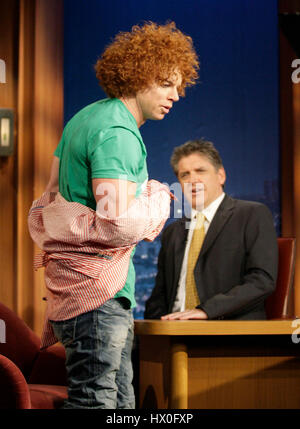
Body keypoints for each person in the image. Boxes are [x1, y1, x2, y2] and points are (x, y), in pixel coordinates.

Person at [28, 22, 199, 409]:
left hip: (78, 291)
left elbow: (50, 197)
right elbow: (118, 222)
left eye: (179, 85)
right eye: (166, 83)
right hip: (97, 296)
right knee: (97, 403)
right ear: (137, 75)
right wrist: (161, 196)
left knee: (118, 405)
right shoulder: (118, 131)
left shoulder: (84, 118)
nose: (176, 95)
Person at [144, 139, 278, 321]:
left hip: (226, 330)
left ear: (221, 176)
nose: (193, 180)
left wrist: (206, 311)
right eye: (184, 175)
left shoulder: (251, 215)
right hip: (173, 330)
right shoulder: (173, 232)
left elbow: (262, 281)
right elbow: (159, 296)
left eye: (201, 171)